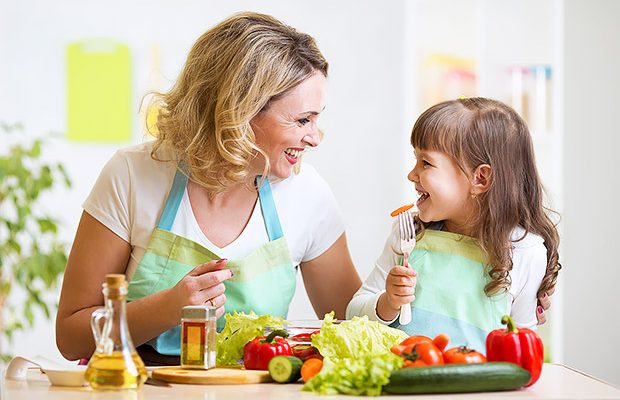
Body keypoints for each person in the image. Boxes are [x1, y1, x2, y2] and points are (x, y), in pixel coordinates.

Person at [56, 12, 361, 364]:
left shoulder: (308, 195)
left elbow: (353, 328)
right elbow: (71, 337)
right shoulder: (133, 175)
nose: (314, 138)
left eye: (317, 117)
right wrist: (165, 310)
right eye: (302, 120)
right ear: (240, 112)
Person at [347, 97, 560, 352]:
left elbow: (523, 346)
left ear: (480, 178)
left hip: (479, 391)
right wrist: (388, 303)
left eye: (426, 163)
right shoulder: (409, 235)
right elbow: (354, 312)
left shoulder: (526, 251)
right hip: (403, 386)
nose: (412, 174)